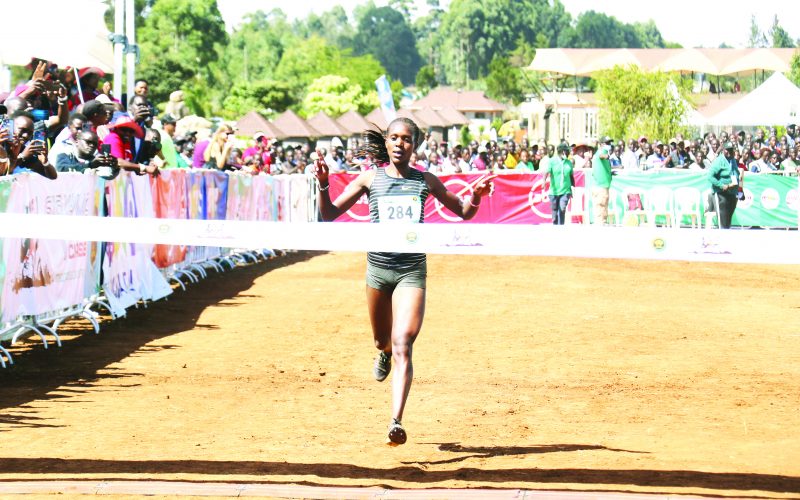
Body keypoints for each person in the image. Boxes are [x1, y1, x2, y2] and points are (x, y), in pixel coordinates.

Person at [312, 117, 495, 446]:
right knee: (383, 340)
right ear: (385, 142)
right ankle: (381, 351)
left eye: (406, 139)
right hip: (379, 272)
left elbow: (464, 213)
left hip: (412, 271)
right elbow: (328, 215)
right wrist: (324, 183)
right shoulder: (371, 179)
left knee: (403, 344)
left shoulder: (425, 180)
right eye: (393, 137)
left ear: (416, 145)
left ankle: (396, 420)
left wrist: (478, 195)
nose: (399, 143)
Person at [707, 142, 740, 229]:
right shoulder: (719, 161)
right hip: (721, 193)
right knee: (722, 220)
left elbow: (736, 174)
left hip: (732, 193)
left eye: (732, 150)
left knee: (728, 220)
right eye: (728, 150)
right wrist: (721, 185)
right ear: (724, 151)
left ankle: (726, 238)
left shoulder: (732, 160)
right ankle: (721, 237)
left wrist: (739, 190)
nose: (730, 152)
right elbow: (710, 176)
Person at [543, 143, 574, 225]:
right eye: (566, 152)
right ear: (562, 152)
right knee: (555, 210)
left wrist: (573, 188)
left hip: (565, 190)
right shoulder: (552, 161)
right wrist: (543, 182)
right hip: (554, 191)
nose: (568, 154)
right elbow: (546, 172)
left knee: (562, 208)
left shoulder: (569, 163)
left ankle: (561, 227)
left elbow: (571, 176)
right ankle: (555, 225)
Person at [591, 136, 613, 225]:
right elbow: (601, 155)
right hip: (601, 187)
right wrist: (606, 156)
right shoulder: (602, 151)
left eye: (609, 143)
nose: (609, 145)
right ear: (602, 144)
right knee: (601, 208)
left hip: (601, 185)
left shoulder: (598, 153)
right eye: (607, 143)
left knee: (601, 209)